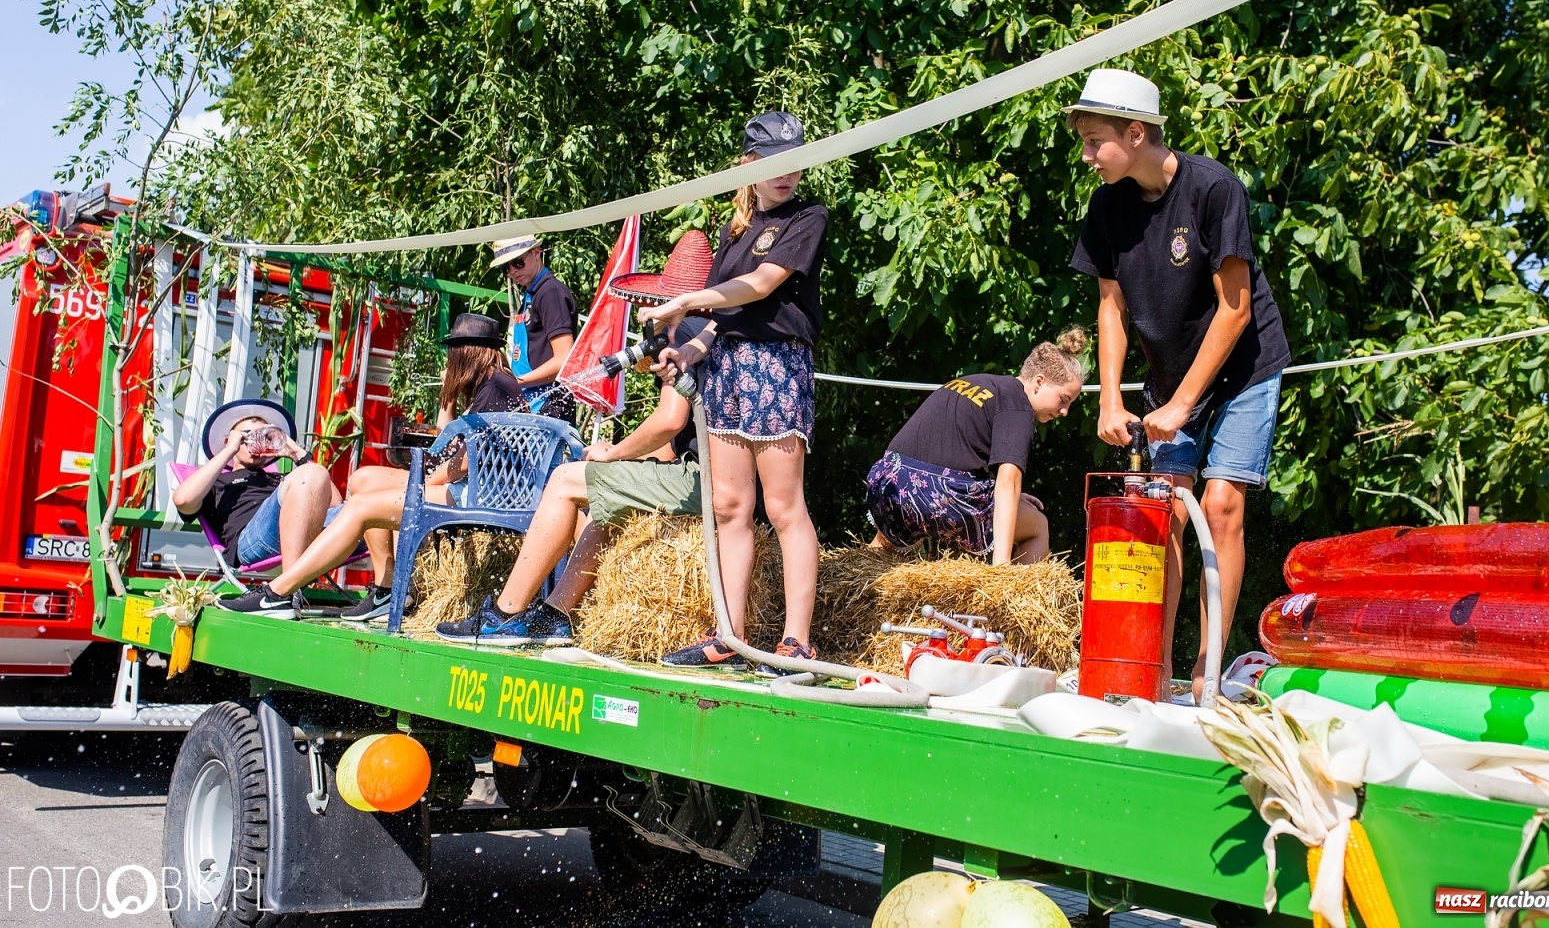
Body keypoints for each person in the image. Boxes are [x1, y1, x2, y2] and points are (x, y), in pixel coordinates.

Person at [1066, 67, 1291, 701]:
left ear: (1135, 133)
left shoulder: (1214, 189)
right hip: (1167, 377)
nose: (1086, 156)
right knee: (1162, 515)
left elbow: (1236, 308)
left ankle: (1208, 668)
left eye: (1093, 141)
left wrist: (1184, 404)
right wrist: (1110, 396)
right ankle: (1149, 670)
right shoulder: (1107, 206)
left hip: (1243, 369)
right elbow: (1111, 307)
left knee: (1220, 505)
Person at [643, 110, 826, 672]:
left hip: (776, 367)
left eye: (795, 161)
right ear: (748, 166)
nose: (786, 173)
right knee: (728, 505)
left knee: (784, 505)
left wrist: (686, 302)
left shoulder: (808, 217)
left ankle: (796, 641)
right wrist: (688, 349)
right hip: (727, 367)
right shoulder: (736, 230)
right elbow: (729, 315)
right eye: (774, 163)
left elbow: (762, 284)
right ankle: (729, 634)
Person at [217, 314, 527, 619]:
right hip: (473, 488)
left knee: (363, 507)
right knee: (364, 479)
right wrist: (448, 396)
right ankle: (387, 589)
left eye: (453, 352)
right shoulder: (492, 384)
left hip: (479, 495)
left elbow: (465, 463)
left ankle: (278, 594)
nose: (450, 359)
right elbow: (446, 446)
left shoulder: (496, 388)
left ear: (466, 351)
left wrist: (426, 483)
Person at [436, 314, 713, 646]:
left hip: (707, 481)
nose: (639, 312)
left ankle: (503, 615)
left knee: (565, 479)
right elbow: (676, 445)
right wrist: (621, 456)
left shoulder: (684, 333)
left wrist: (614, 455)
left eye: (643, 301)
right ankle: (557, 615)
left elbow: (669, 421)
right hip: (712, 473)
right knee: (607, 500)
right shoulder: (706, 333)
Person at [866, 331, 1087, 565]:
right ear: (1039, 381)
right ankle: (1009, 596)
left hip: (888, 483)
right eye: (1063, 399)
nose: (1065, 412)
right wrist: (1000, 567)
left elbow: (945, 452)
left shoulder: (976, 381)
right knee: (1038, 526)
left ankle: (857, 582)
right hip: (940, 495)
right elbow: (1008, 482)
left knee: (889, 540)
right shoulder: (1018, 405)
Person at [172, 399, 341, 613]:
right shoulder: (216, 481)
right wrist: (229, 451)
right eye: (246, 435)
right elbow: (183, 500)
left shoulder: (285, 478)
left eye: (263, 436)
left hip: (300, 528)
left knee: (362, 502)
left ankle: (383, 594)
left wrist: (296, 452)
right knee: (311, 475)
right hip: (252, 540)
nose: (254, 441)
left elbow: (335, 505)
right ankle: (286, 592)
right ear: (229, 440)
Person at [491, 235, 578, 422]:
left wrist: (513, 382)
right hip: (531, 402)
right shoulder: (532, 294)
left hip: (549, 402)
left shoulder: (550, 292)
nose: (513, 271)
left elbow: (563, 360)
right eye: (506, 267)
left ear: (536, 253)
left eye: (517, 262)